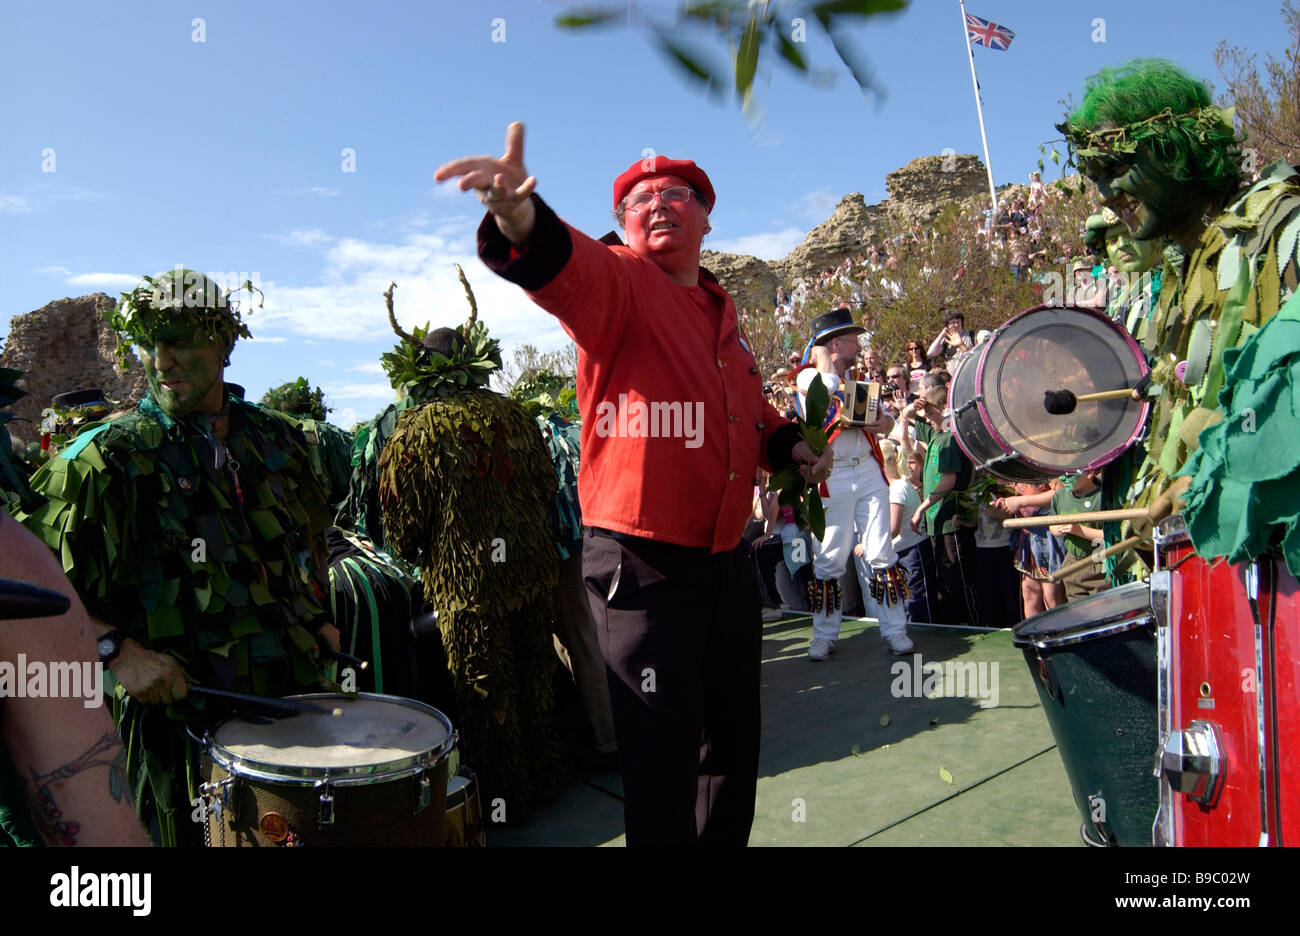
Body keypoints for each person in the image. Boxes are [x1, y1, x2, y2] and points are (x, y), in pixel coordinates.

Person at [436, 123, 831, 846]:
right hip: (643, 566)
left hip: (724, 559)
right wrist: (519, 216)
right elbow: (566, 268)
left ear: (707, 214)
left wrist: (790, 446)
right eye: (640, 197)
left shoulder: (723, 316)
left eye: (677, 192)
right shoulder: (620, 283)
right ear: (621, 224)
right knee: (661, 766)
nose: (658, 203)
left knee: (732, 751)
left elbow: (751, 413)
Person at [13, 269, 339, 846]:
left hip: (290, 714)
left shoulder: (279, 441)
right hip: (177, 746)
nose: (161, 361)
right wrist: (117, 650)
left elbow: (308, 545)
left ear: (225, 343)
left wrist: (316, 617)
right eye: (151, 342)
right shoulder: (106, 462)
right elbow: (23, 594)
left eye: (181, 339)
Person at [1059, 59, 1300, 523]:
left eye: (1117, 166)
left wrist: (1216, 467)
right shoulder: (1178, 278)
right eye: (1096, 179)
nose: (1107, 195)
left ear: (1176, 151)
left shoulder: (1279, 227)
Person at [794, 308, 914, 659]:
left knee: (881, 551)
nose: (859, 346)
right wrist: (821, 357)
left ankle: (895, 630)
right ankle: (824, 634)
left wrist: (886, 422)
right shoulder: (808, 379)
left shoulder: (855, 380)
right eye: (853, 340)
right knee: (830, 557)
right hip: (834, 475)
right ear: (834, 345)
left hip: (867, 468)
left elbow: (878, 415)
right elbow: (826, 387)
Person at [878, 439, 936, 625]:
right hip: (903, 554)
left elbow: (893, 530)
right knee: (909, 605)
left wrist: (870, 544)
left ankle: (926, 650)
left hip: (913, 553)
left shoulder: (897, 489)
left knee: (919, 605)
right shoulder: (894, 487)